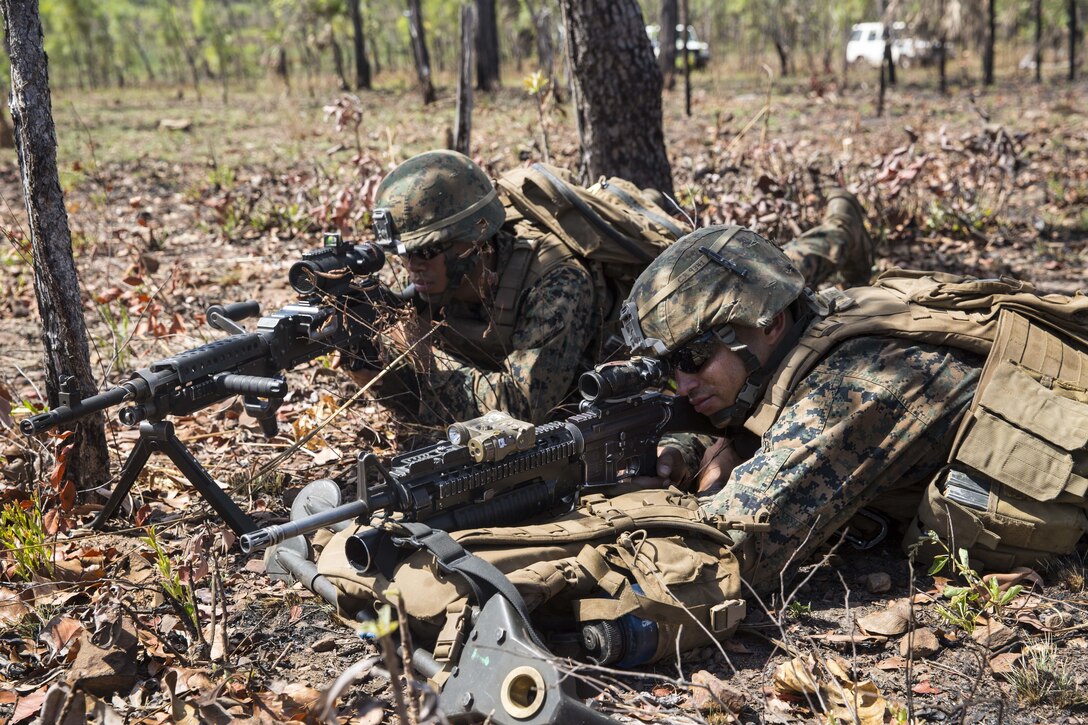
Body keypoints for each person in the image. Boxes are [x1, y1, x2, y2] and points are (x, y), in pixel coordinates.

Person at [622, 222, 1088, 597]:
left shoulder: (854, 387)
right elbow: (746, 414)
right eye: (669, 368)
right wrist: (682, 450)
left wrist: (632, 506)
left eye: (693, 357)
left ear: (769, 322)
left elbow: (727, 552)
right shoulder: (820, 324)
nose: (682, 384)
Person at [346, 148, 875, 442]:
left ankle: (841, 227)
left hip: (678, 309)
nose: (413, 266)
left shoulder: (557, 282)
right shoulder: (442, 276)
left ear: (473, 240)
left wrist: (417, 358)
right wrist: (363, 349)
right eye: (405, 254)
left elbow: (519, 409)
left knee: (779, 277)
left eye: (428, 250)